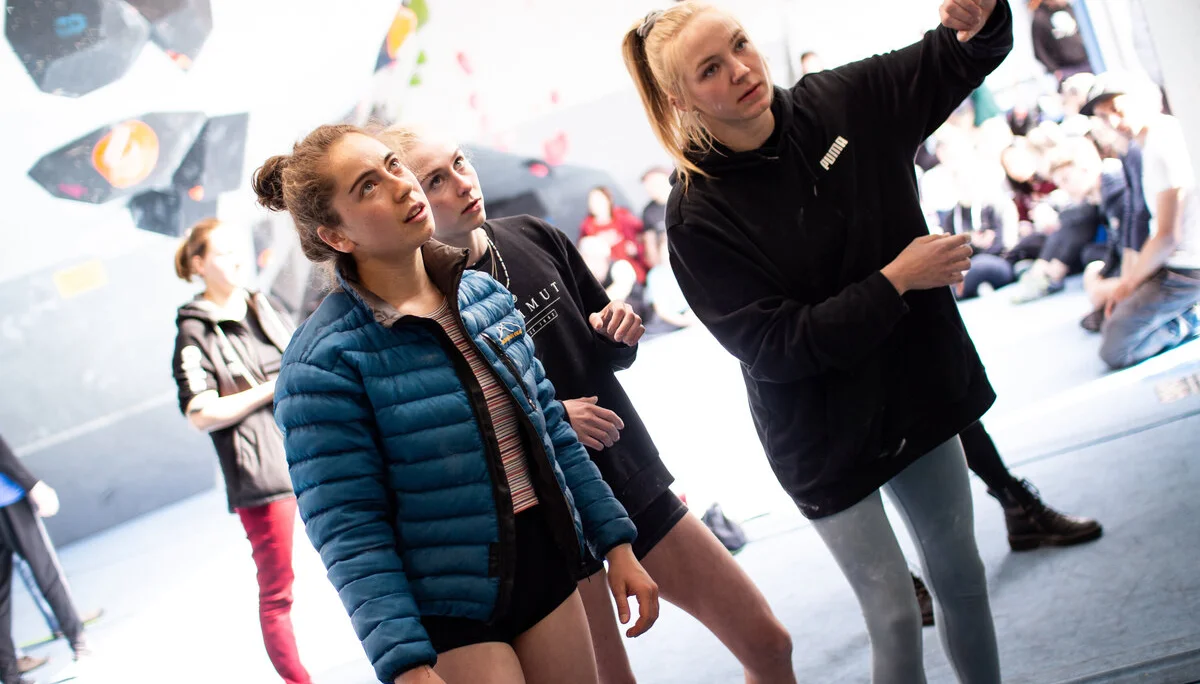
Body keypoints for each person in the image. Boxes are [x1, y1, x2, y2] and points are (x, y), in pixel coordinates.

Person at [623, 1, 1012, 681]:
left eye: (740, 45)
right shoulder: (696, 215)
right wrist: (895, 280)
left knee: (961, 574)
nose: (741, 70)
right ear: (680, 99)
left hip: (915, 386)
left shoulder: (840, 100)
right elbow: (778, 346)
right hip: (822, 432)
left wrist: (980, 17)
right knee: (894, 616)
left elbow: (957, 55)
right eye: (710, 69)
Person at [384, 126, 795, 684]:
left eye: (459, 163)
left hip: (626, 476)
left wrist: (617, 333)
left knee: (768, 643)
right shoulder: (421, 308)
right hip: (545, 523)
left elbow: (603, 345)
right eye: (435, 180)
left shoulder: (533, 235)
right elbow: (448, 432)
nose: (461, 183)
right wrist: (548, 422)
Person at [252, 125, 659, 684]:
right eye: (368, 186)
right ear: (336, 235)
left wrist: (616, 543)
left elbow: (552, 434)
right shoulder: (321, 362)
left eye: (394, 165)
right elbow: (349, 528)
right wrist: (404, 661)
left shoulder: (484, 296)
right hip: (447, 611)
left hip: (546, 568)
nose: (402, 186)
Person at [170, 219, 312, 684]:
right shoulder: (194, 332)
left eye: (237, 250)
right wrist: (270, 389)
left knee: (365, 558)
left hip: (314, 451)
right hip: (261, 471)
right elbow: (200, 413)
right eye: (223, 253)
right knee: (278, 591)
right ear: (198, 265)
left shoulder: (261, 304)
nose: (236, 260)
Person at [1083, 72, 1200, 368]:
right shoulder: (1146, 145)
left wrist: (1128, 284)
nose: (1113, 121)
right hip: (1171, 263)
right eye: (1103, 116)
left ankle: (1193, 318)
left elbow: (1167, 235)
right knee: (1106, 319)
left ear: (1142, 99)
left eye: (1117, 109)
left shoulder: (1164, 140)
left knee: (1115, 350)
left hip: (1185, 269)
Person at [0, 434, 91, 684]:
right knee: (46, 575)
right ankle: (80, 647)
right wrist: (32, 485)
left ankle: (10, 676)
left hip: (9, 498)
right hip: (9, 501)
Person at [579, 187, 648, 283]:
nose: (595, 204)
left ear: (608, 200)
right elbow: (582, 253)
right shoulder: (587, 227)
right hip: (604, 273)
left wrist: (636, 247)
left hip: (631, 269)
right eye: (592, 201)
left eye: (599, 200)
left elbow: (644, 234)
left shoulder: (623, 217)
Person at [1029, 0, 1093, 83]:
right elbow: (1039, 51)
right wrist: (1055, 70)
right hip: (1066, 70)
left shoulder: (1069, 8)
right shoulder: (1040, 18)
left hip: (1087, 62)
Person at [639, 167, 673, 269]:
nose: (648, 188)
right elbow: (650, 244)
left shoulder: (682, 201)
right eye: (646, 185)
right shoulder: (648, 211)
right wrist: (658, 268)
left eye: (652, 183)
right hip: (665, 261)